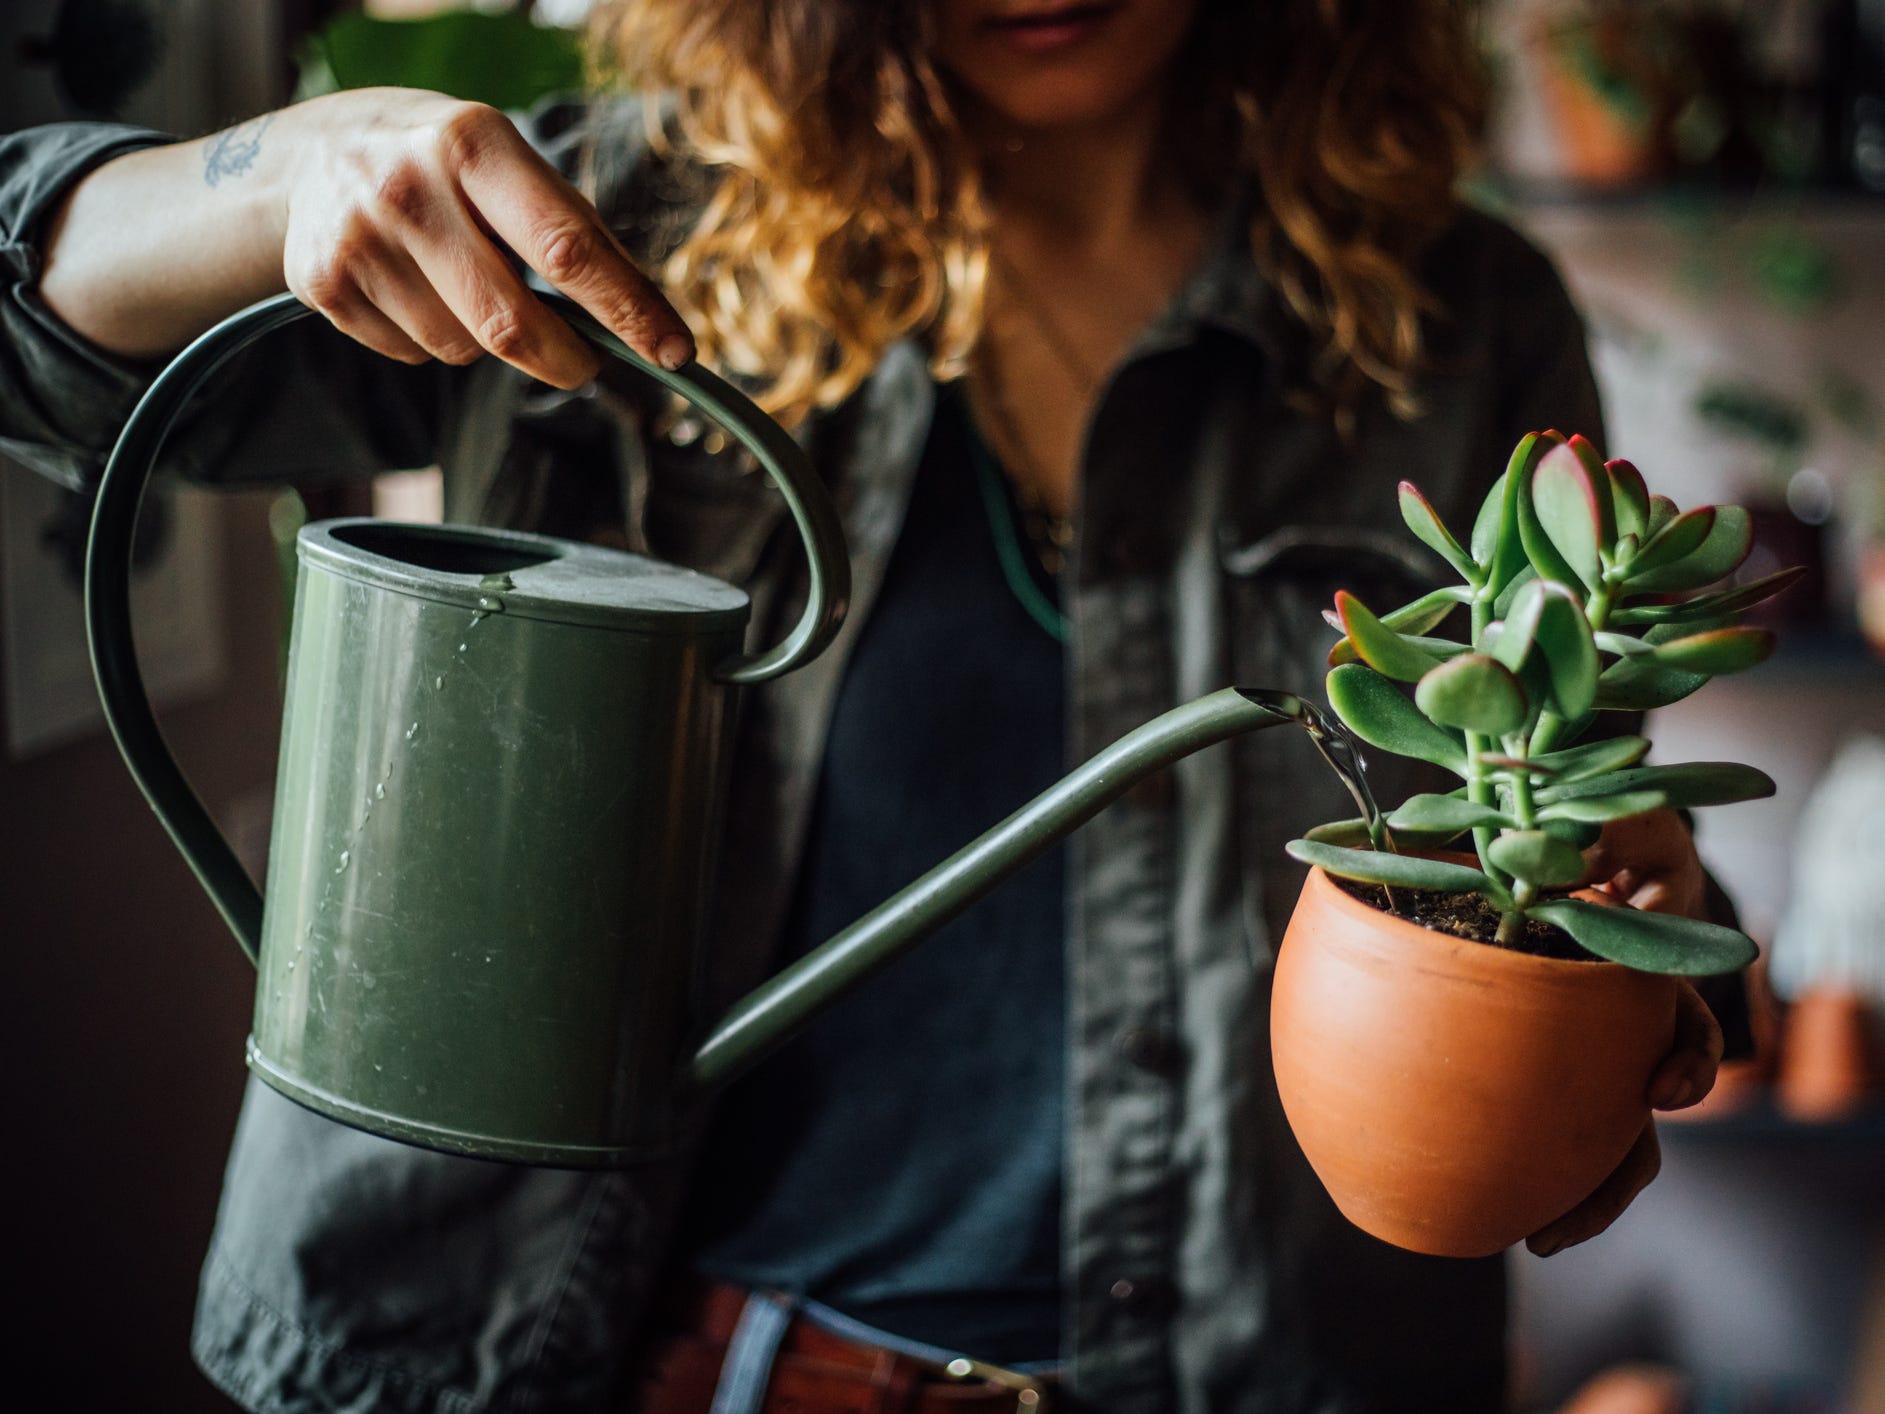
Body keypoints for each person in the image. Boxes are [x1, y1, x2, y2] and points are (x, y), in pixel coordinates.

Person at [0, 2, 1741, 1410]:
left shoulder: (1459, 323)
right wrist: (275, 170)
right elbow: (33, 327)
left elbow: (1599, 825)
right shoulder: (582, 239)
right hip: (668, 1359)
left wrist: (1634, 949)